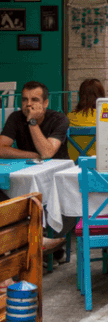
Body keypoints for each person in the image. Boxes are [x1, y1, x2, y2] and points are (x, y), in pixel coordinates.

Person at [0, 82, 72, 251]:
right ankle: (29, 241)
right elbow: (1, 148)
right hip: (24, 174)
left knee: (30, 196)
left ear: (45, 103)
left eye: (34, 99)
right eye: (25, 99)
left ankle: (36, 240)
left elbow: (47, 152)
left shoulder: (59, 119)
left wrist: (32, 122)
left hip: (56, 182)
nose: (28, 104)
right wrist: (32, 155)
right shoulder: (16, 118)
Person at [67, 78, 105, 159]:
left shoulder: (69, 116)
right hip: (98, 164)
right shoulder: (107, 114)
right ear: (101, 95)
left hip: (75, 164)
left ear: (80, 95)